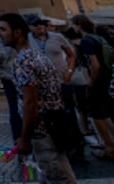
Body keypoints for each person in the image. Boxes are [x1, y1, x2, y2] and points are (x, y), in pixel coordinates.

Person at [1, 12, 78, 183]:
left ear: (17, 32)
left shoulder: (23, 60)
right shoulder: (36, 55)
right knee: (58, 170)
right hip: (54, 122)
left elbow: (30, 102)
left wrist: (24, 137)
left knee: (57, 174)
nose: (0, 34)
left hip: (41, 128)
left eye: (3, 29)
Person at [31, 18, 84, 164]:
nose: (39, 28)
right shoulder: (28, 40)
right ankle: (60, 147)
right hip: (42, 85)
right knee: (50, 116)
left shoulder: (57, 37)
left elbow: (71, 54)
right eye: (36, 25)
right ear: (31, 28)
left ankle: (77, 148)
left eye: (41, 25)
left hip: (61, 81)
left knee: (69, 113)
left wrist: (70, 70)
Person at [71, 15, 114, 158]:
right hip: (107, 78)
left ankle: (109, 146)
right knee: (108, 111)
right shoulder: (99, 38)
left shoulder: (86, 41)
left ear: (78, 26)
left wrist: (91, 81)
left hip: (98, 80)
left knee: (98, 115)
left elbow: (95, 64)